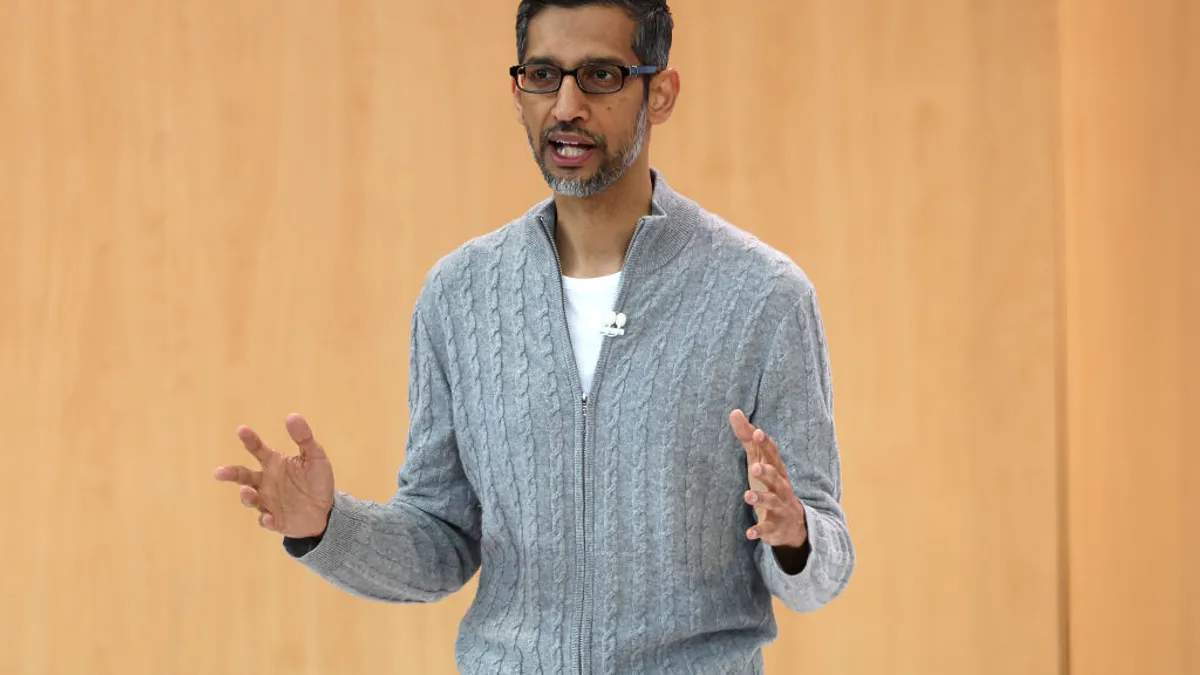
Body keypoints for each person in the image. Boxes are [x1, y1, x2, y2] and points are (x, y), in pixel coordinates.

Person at [213, 1, 855, 673]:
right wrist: (326, 527)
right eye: (544, 76)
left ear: (659, 93)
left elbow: (824, 565)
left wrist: (796, 536)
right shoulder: (459, 294)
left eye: (601, 75)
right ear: (517, 93)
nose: (567, 106)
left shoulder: (763, 297)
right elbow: (441, 539)